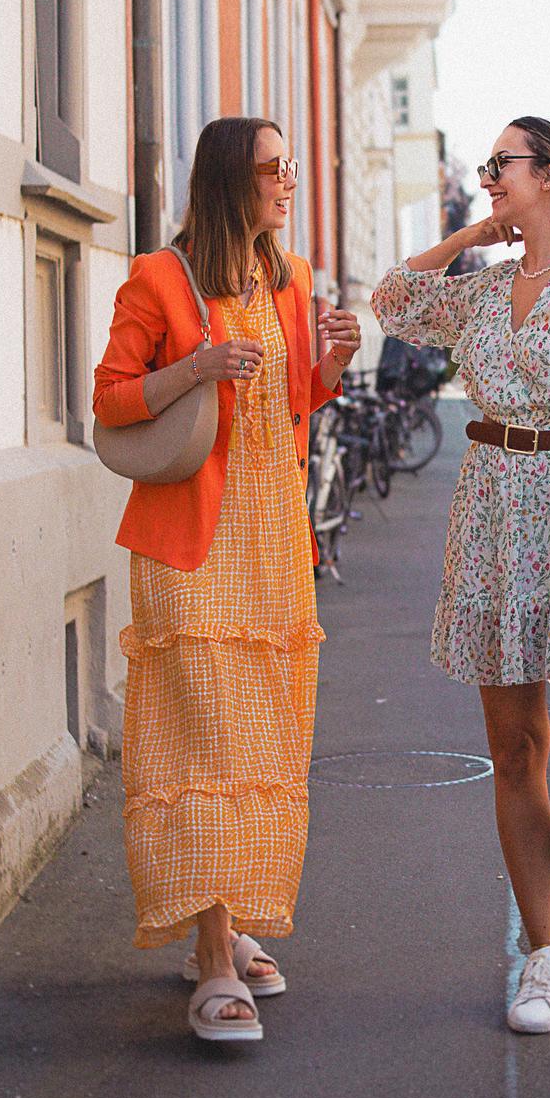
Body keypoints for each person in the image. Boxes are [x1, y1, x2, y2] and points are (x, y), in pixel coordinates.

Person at [371, 116, 550, 1035]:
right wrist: (467, 236)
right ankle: (544, 955)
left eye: (503, 165)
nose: (490, 176)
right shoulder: (484, 291)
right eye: (489, 165)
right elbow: (391, 301)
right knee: (515, 752)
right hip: (493, 520)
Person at [93, 118, 360, 1044]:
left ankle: (232, 921)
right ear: (226, 183)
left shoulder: (288, 281)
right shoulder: (158, 279)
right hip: (192, 549)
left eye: (291, 165)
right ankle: (210, 960)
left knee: (258, 742)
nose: (289, 181)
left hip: (274, 540)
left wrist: (331, 362)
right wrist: (195, 366)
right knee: (201, 741)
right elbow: (111, 400)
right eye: (272, 169)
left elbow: (293, 404)